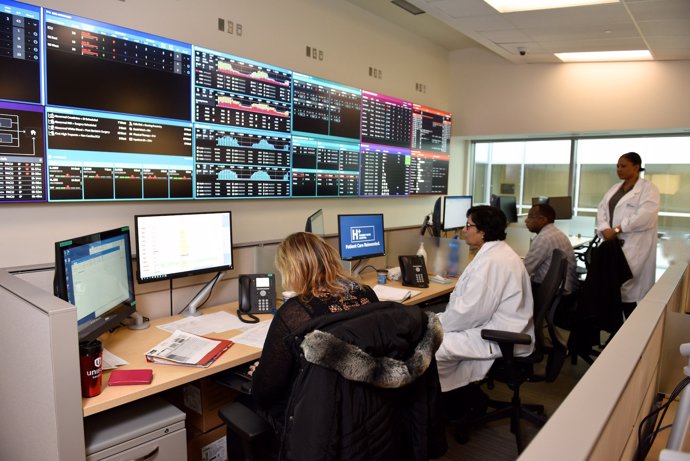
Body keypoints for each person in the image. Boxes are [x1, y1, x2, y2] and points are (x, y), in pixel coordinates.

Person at [248, 232, 447, 460]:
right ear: (330, 259)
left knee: (247, 399)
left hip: (325, 420)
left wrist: (258, 374)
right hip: (374, 411)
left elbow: (266, 391)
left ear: (291, 269)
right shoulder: (365, 292)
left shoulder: (294, 311)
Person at [435, 205, 534, 425]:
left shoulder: (493, 262)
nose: (464, 230)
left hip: (497, 336)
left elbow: (470, 312)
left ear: (483, 231)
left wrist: (437, 322)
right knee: (433, 339)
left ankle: (456, 407)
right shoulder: (497, 253)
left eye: (468, 225)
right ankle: (462, 400)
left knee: (431, 350)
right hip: (497, 327)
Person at [596, 152, 659, 316]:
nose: (619, 169)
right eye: (617, 166)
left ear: (636, 167)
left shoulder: (648, 189)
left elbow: (645, 216)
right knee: (612, 288)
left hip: (634, 247)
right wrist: (604, 228)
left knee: (628, 288)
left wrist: (617, 229)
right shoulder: (614, 189)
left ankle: (631, 328)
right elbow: (601, 209)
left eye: (623, 166)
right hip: (612, 245)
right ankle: (615, 329)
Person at [524, 203, 578, 296]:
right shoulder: (555, 232)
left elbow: (525, 269)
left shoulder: (543, 238)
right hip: (564, 287)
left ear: (543, 220)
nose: (526, 221)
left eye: (530, 217)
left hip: (552, 292)